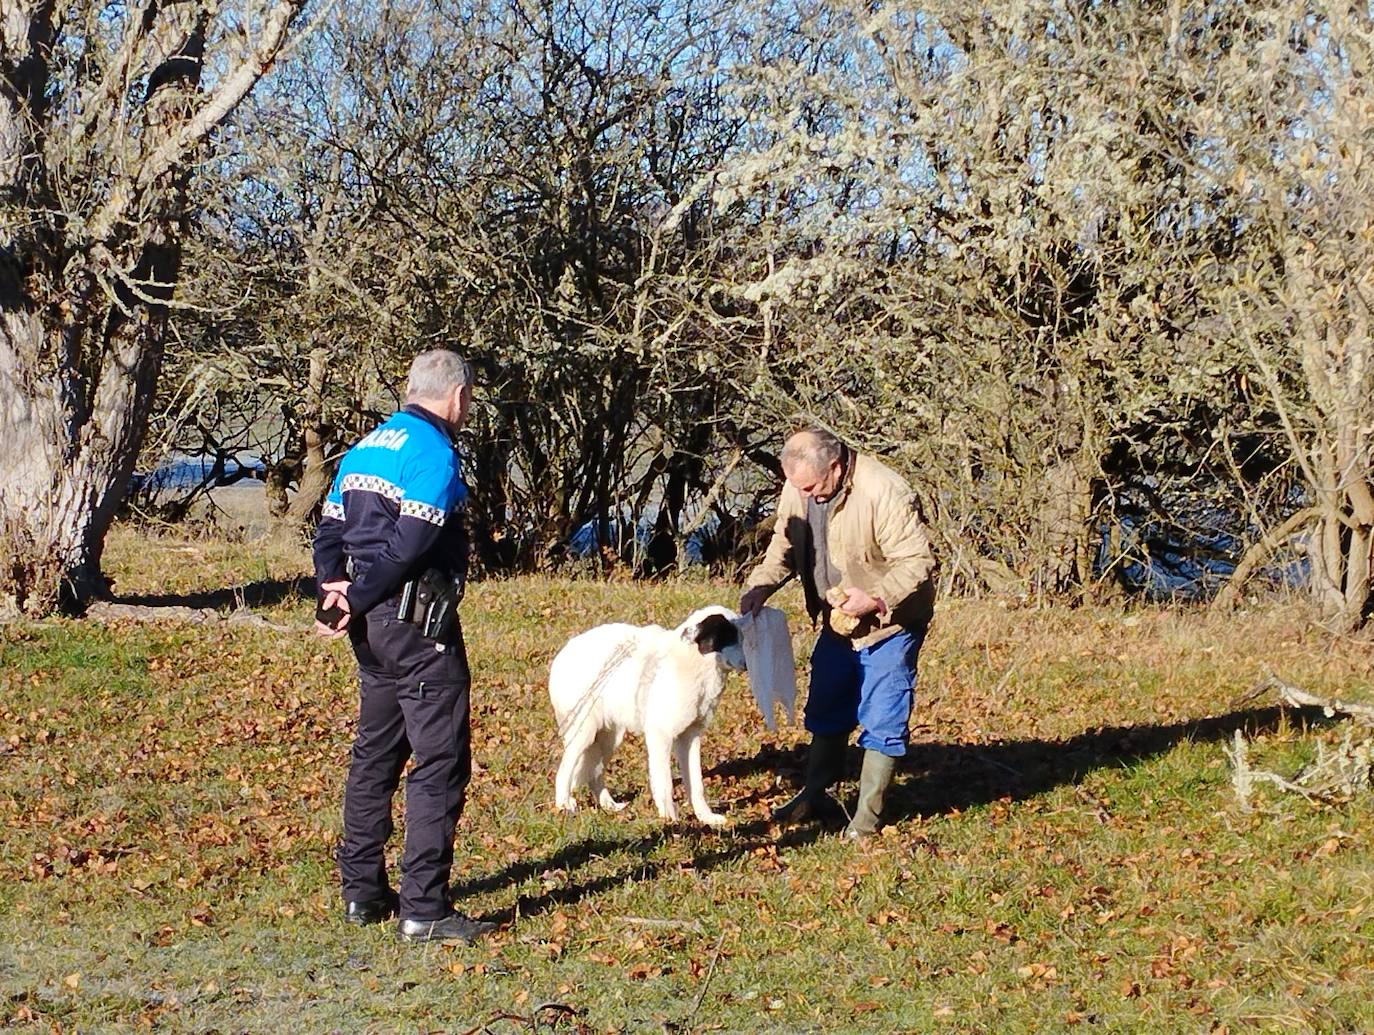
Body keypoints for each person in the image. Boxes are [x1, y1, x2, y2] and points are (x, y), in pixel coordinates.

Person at [312, 349, 494, 944]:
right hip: (419, 625)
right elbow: (410, 545)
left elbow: (330, 530)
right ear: (457, 395)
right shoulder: (435, 455)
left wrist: (334, 591)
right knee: (439, 762)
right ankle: (425, 908)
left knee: (375, 755)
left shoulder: (366, 447)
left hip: (370, 633)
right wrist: (357, 596)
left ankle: (362, 894)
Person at [739, 427, 938, 841]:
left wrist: (877, 599)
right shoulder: (800, 488)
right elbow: (785, 544)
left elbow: (918, 562)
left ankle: (866, 819)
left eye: (813, 486)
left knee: (882, 713)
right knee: (827, 703)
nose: (807, 496)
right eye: (799, 488)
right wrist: (760, 585)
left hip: (890, 624)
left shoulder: (885, 491)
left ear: (835, 465)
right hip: (836, 621)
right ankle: (815, 795)